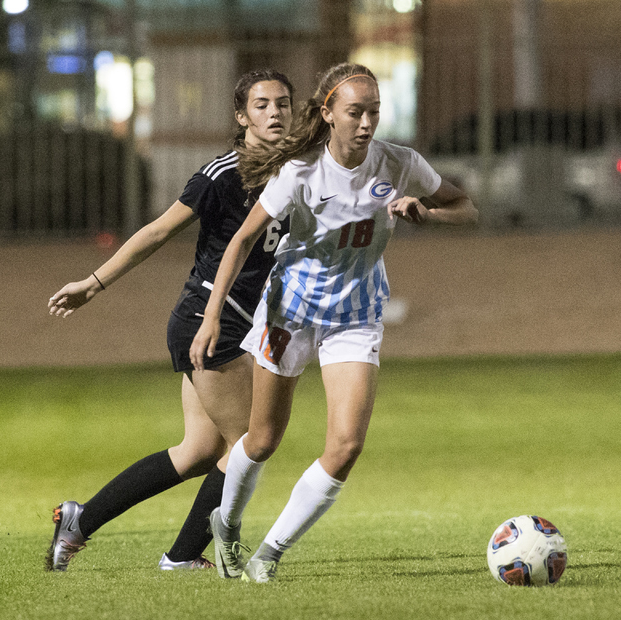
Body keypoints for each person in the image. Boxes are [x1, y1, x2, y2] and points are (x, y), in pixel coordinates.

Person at [190, 62, 478, 583]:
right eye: (354, 112)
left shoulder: (398, 163)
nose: (366, 123)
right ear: (327, 114)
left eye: (373, 112)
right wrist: (211, 317)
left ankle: (270, 553)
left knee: (346, 445)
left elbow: (466, 208)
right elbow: (242, 240)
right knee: (261, 439)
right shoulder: (300, 171)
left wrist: (430, 214)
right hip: (291, 313)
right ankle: (227, 525)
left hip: (356, 317)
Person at [45, 69, 294, 572]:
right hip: (209, 319)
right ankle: (182, 556)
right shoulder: (222, 174)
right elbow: (158, 232)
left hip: (237, 320)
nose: (275, 113)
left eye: (283, 104)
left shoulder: (297, 169)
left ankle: (80, 520)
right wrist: (92, 284)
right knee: (250, 442)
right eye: (262, 104)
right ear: (241, 117)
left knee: (200, 450)